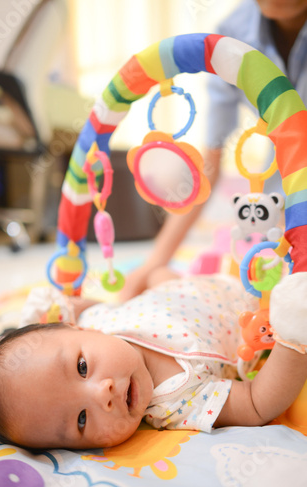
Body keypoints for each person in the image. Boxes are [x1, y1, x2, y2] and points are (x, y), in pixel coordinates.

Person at [0, 268, 307, 450]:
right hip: (251, 298)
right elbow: (256, 403)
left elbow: (84, 308)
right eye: (80, 420)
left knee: (154, 273)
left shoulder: (99, 324)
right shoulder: (178, 400)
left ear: (79, 329)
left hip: (182, 284)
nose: (101, 394)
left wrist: (54, 307)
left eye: (81, 368)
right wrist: (292, 337)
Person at [119, 0, 307, 302]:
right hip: (279, 213)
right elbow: (210, 163)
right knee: (165, 277)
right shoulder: (232, 36)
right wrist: (157, 259)